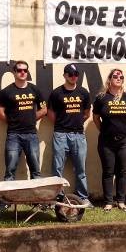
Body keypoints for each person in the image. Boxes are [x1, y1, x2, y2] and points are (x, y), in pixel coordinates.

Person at [0, 60, 47, 188]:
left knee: (35, 170)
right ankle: (7, 201)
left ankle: (38, 200)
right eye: (19, 70)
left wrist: (31, 119)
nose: (23, 72)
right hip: (14, 135)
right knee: (10, 170)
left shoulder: (34, 89)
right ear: (14, 72)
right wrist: (13, 120)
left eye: (25, 70)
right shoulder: (6, 92)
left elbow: (44, 109)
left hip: (31, 134)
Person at [48, 64, 92, 207]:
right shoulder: (56, 93)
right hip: (60, 134)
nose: (73, 77)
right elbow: (51, 114)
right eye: (70, 74)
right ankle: (58, 198)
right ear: (65, 75)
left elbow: (87, 113)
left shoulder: (84, 92)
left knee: (80, 169)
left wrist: (76, 123)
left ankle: (83, 197)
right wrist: (63, 124)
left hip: (78, 135)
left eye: (76, 74)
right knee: (57, 169)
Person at [93, 68, 126, 211]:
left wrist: (122, 127)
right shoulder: (101, 98)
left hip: (125, 141)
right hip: (106, 141)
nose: (119, 78)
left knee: (122, 172)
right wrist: (104, 130)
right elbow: (95, 117)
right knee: (108, 172)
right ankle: (108, 202)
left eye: (121, 77)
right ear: (109, 79)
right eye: (116, 76)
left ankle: (121, 201)